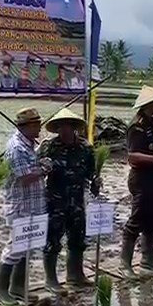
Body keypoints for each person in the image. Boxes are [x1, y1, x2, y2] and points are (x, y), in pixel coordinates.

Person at [38, 108, 100, 293]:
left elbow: (91, 172)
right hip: (55, 201)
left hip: (77, 200)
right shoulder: (48, 146)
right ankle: (51, 279)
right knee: (53, 239)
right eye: (60, 126)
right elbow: (37, 170)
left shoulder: (86, 148)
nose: (64, 130)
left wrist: (96, 180)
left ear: (74, 127)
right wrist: (43, 168)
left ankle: (75, 275)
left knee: (77, 237)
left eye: (68, 126)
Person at [0, 108, 53, 303]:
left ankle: (18, 287)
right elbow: (26, 177)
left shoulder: (29, 145)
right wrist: (45, 168)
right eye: (35, 124)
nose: (39, 127)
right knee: (15, 248)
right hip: (21, 206)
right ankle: (1, 291)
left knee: (27, 247)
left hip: (34, 204)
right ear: (25, 127)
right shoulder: (16, 148)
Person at [119, 85, 153, 279]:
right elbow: (132, 156)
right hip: (141, 177)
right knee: (137, 218)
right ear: (150, 103)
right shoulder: (137, 125)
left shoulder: (150, 122)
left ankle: (148, 259)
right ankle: (124, 264)